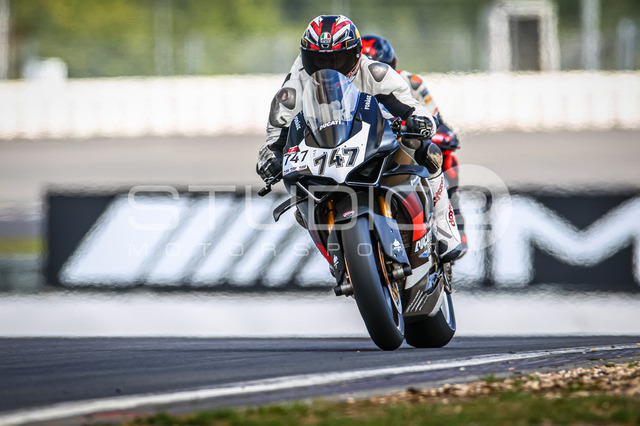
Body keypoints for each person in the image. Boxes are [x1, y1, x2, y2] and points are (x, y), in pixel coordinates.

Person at [256, 15, 462, 262]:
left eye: (338, 58)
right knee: (301, 200)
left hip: (374, 138)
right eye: (320, 60)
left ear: (355, 54)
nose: (329, 66)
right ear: (307, 58)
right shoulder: (292, 89)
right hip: (324, 152)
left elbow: (411, 106)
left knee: (428, 150)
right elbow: (274, 139)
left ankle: (444, 225)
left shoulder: (375, 72)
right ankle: (337, 258)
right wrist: (270, 159)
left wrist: (418, 120)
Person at [361, 34, 467, 253]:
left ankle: (452, 221)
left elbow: (437, 120)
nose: (373, 76)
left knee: (442, 155)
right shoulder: (345, 88)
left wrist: (430, 131)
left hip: (404, 143)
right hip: (367, 148)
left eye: (378, 69)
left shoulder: (412, 82)